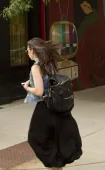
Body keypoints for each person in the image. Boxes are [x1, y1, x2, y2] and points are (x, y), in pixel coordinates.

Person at [23, 38, 82, 170]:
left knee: (36, 138)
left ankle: (53, 165)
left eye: (27, 50)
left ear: (32, 50)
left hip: (44, 107)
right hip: (56, 105)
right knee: (55, 137)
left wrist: (27, 88)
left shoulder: (36, 67)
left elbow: (39, 91)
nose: (27, 53)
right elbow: (47, 79)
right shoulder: (48, 63)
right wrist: (31, 81)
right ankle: (57, 165)